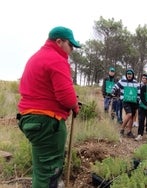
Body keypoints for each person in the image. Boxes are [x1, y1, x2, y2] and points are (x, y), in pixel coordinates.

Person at [17, 26, 81, 188]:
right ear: (59, 42)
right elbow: (66, 97)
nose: (71, 50)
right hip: (47, 122)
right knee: (49, 172)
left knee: (41, 170)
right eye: (70, 45)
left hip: (29, 119)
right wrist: (75, 106)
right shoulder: (57, 59)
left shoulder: (36, 57)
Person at [112, 69, 140, 138]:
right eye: (128, 74)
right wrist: (113, 92)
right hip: (125, 101)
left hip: (134, 102)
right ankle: (121, 129)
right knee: (129, 114)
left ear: (133, 75)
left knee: (132, 116)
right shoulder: (122, 81)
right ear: (126, 75)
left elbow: (139, 92)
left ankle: (129, 131)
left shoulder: (136, 82)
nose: (129, 75)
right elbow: (115, 87)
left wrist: (138, 100)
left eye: (130, 74)